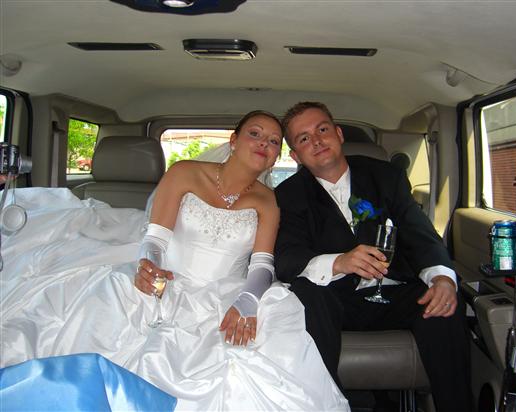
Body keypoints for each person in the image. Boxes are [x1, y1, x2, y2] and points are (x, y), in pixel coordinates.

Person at [0, 111, 349, 411]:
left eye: (273, 142)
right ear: (234, 140)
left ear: (276, 157)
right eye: (255, 134)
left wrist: (248, 299)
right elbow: (155, 239)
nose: (263, 144)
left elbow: (262, 265)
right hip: (167, 279)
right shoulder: (184, 172)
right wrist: (148, 264)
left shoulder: (268, 201)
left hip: (224, 292)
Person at [274, 102, 471, 412]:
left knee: (443, 300)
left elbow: (419, 233)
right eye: (304, 138)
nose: (317, 141)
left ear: (338, 134)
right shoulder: (287, 195)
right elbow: (287, 258)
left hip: (394, 292)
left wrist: (443, 278)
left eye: (322, 129)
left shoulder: (386, 176)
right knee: (306, 294)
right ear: (296, 156)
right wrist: (339, 262)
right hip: (334, 300)